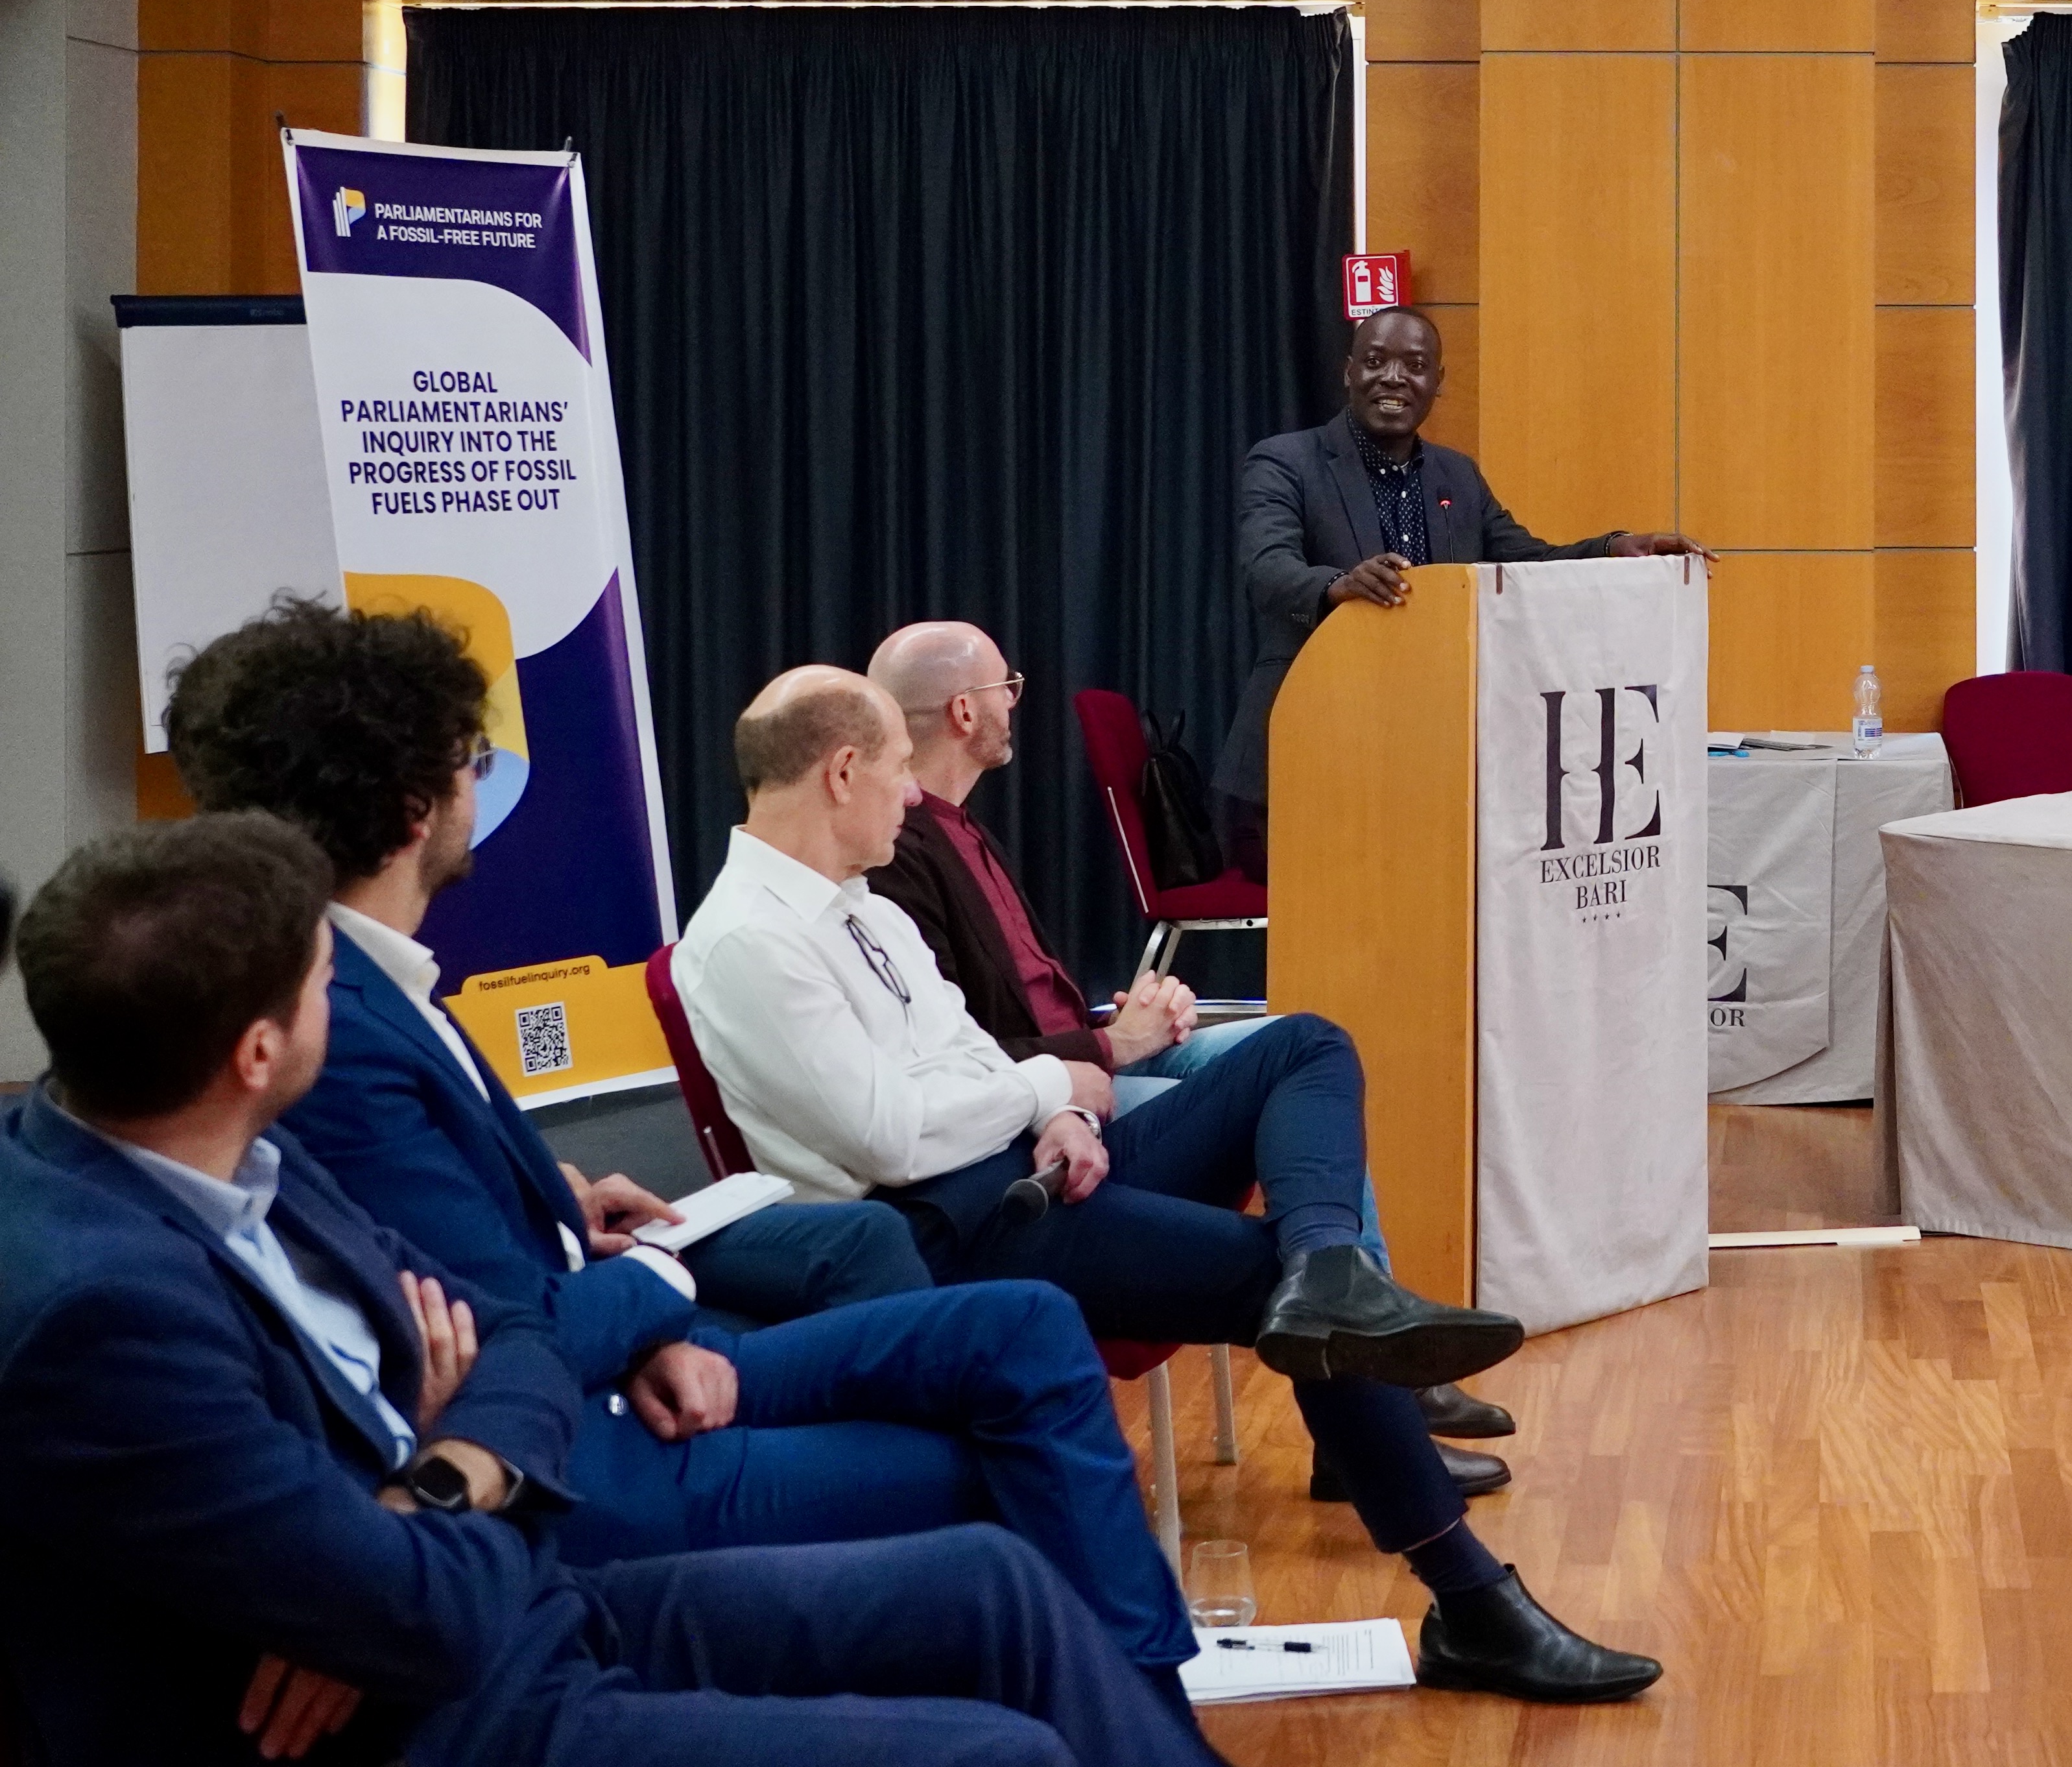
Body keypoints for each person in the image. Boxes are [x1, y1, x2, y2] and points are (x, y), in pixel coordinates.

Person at [0, 813, 1219, 1767]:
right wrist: (453, 1474)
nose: (345, 997)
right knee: (995, 1755)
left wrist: (445, 1457)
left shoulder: (245, 1152)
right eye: (322, 979)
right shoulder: (107, 1312)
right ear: (257, 1053)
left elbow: (511, 1335)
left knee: (998, 1589)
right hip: (449, 1714)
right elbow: (427, 1607)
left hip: (520, 1598)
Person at [160, 599, 1199, 1676]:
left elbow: (441, 1260)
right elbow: (501, 1328)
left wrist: (555, 1205)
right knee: (1002, 1449)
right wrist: (655, 1292)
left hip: (596, 1361)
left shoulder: (370, 985)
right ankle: (1131, 1704)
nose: (487, 781)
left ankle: (1125, 1695)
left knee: (1024, 1332)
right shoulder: (342, 1026)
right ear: (418, 808)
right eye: (473, 757)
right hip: (579, 1454)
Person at [676, 665, 1660, 1703]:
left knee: (1304, 1047)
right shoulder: (747, 939)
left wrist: (1054, 1109)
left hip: (1033, 1163)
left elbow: (965, 1058)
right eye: (891, 771)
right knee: (1280, 1292)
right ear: (839, 774)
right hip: (956, 1228)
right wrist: (1055, 1083)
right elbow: (888, 1139)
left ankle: (1331, 1262)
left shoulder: (859, 905)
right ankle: (1473, 1600)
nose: (912, 794)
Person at [863, 614, 1517, 1487]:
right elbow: (959, 1049)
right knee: (1301, 1061)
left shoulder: (962, 827)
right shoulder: (901, 848)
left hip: (1093, 1050)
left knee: (1309, 1071)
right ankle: (1374, 1382)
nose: (1019, 704)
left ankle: (1358, 1345)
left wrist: (1126, 1013)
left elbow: (1021, 993)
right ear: (964, 713)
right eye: (1005, 690)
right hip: (1049, 1097)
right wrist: (1107, 1039)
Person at [1212, 304, 1698, 872]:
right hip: (1312, 752)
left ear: (1437, 384)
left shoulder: (1456, 477)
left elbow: (1528, 563)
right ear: (1349, 372)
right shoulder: (1287, 462)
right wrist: (1339, 586)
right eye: (1375, 361)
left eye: (1415, 365)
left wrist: (1615, 549)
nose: (1393, 377)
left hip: (1429, 760)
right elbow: (1268, 571)